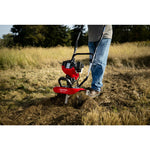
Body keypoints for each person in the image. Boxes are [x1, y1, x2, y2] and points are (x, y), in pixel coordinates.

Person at [87, 25, 112, 98]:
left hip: (104, 35)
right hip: (91, 37)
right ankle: (95, 85)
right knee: (93, 63)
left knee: (99, 61)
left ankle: (96, 88)